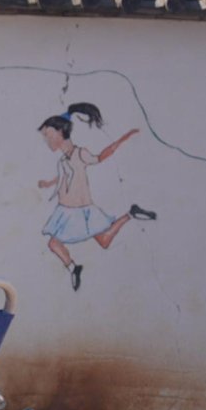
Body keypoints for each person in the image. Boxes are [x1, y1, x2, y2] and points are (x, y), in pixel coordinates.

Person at [36, 102, 156, 291]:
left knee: (55, 243)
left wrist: (124, 138)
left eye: (47, 134)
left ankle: (74, 268)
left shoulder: (80, 153)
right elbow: (63, 176)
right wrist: (49, 183)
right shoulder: (62, 160)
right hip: (66, 211)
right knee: (102, 241)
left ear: (60, 132)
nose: (46, 140)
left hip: (79, 211)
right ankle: (131, 214)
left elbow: (100, 157)